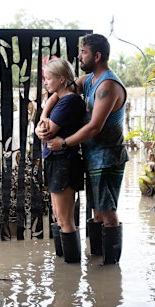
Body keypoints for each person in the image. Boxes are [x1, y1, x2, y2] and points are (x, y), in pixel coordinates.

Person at [37, 34, 129, 265]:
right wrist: (44, 116)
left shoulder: (108, 85)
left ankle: (110, 268)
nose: (79, 56)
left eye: (84, 52)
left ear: (97, 56)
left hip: (108, 156)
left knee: (106, 211)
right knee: (96, 211)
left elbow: (94, 127)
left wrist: (64, 143)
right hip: (92, 155)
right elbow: (60, 91)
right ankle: (97, 261)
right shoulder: (88, 80)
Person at [39, 58, 86, 263]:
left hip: (64, 162)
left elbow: (47, 130)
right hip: (57, 161)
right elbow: (43, 127)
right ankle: (64, 265)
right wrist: (43, 116)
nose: (46, 83)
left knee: (65, 219)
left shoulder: (69, 101)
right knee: (59, 216)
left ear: (62, 79)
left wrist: (41, 125)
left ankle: (71, 271)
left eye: (49, 78)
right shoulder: (61, 98)